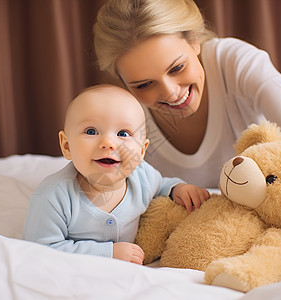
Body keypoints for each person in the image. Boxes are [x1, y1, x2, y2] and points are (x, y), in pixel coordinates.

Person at [92, 0, 281, 254]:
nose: (171, 92)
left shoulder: (234, 61)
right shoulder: (123, 113)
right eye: (143, 85)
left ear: (195, 41)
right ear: (122, 82)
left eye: (177, 68)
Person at [22, 84, 210, 265]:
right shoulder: (53, 196)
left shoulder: (142, 176)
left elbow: (160, 185)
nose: (108, 143)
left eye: (123, 133)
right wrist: (108, 253)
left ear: (141, 151)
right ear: (67, 146)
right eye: (91, 131)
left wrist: (177, 188)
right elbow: (41, 249)